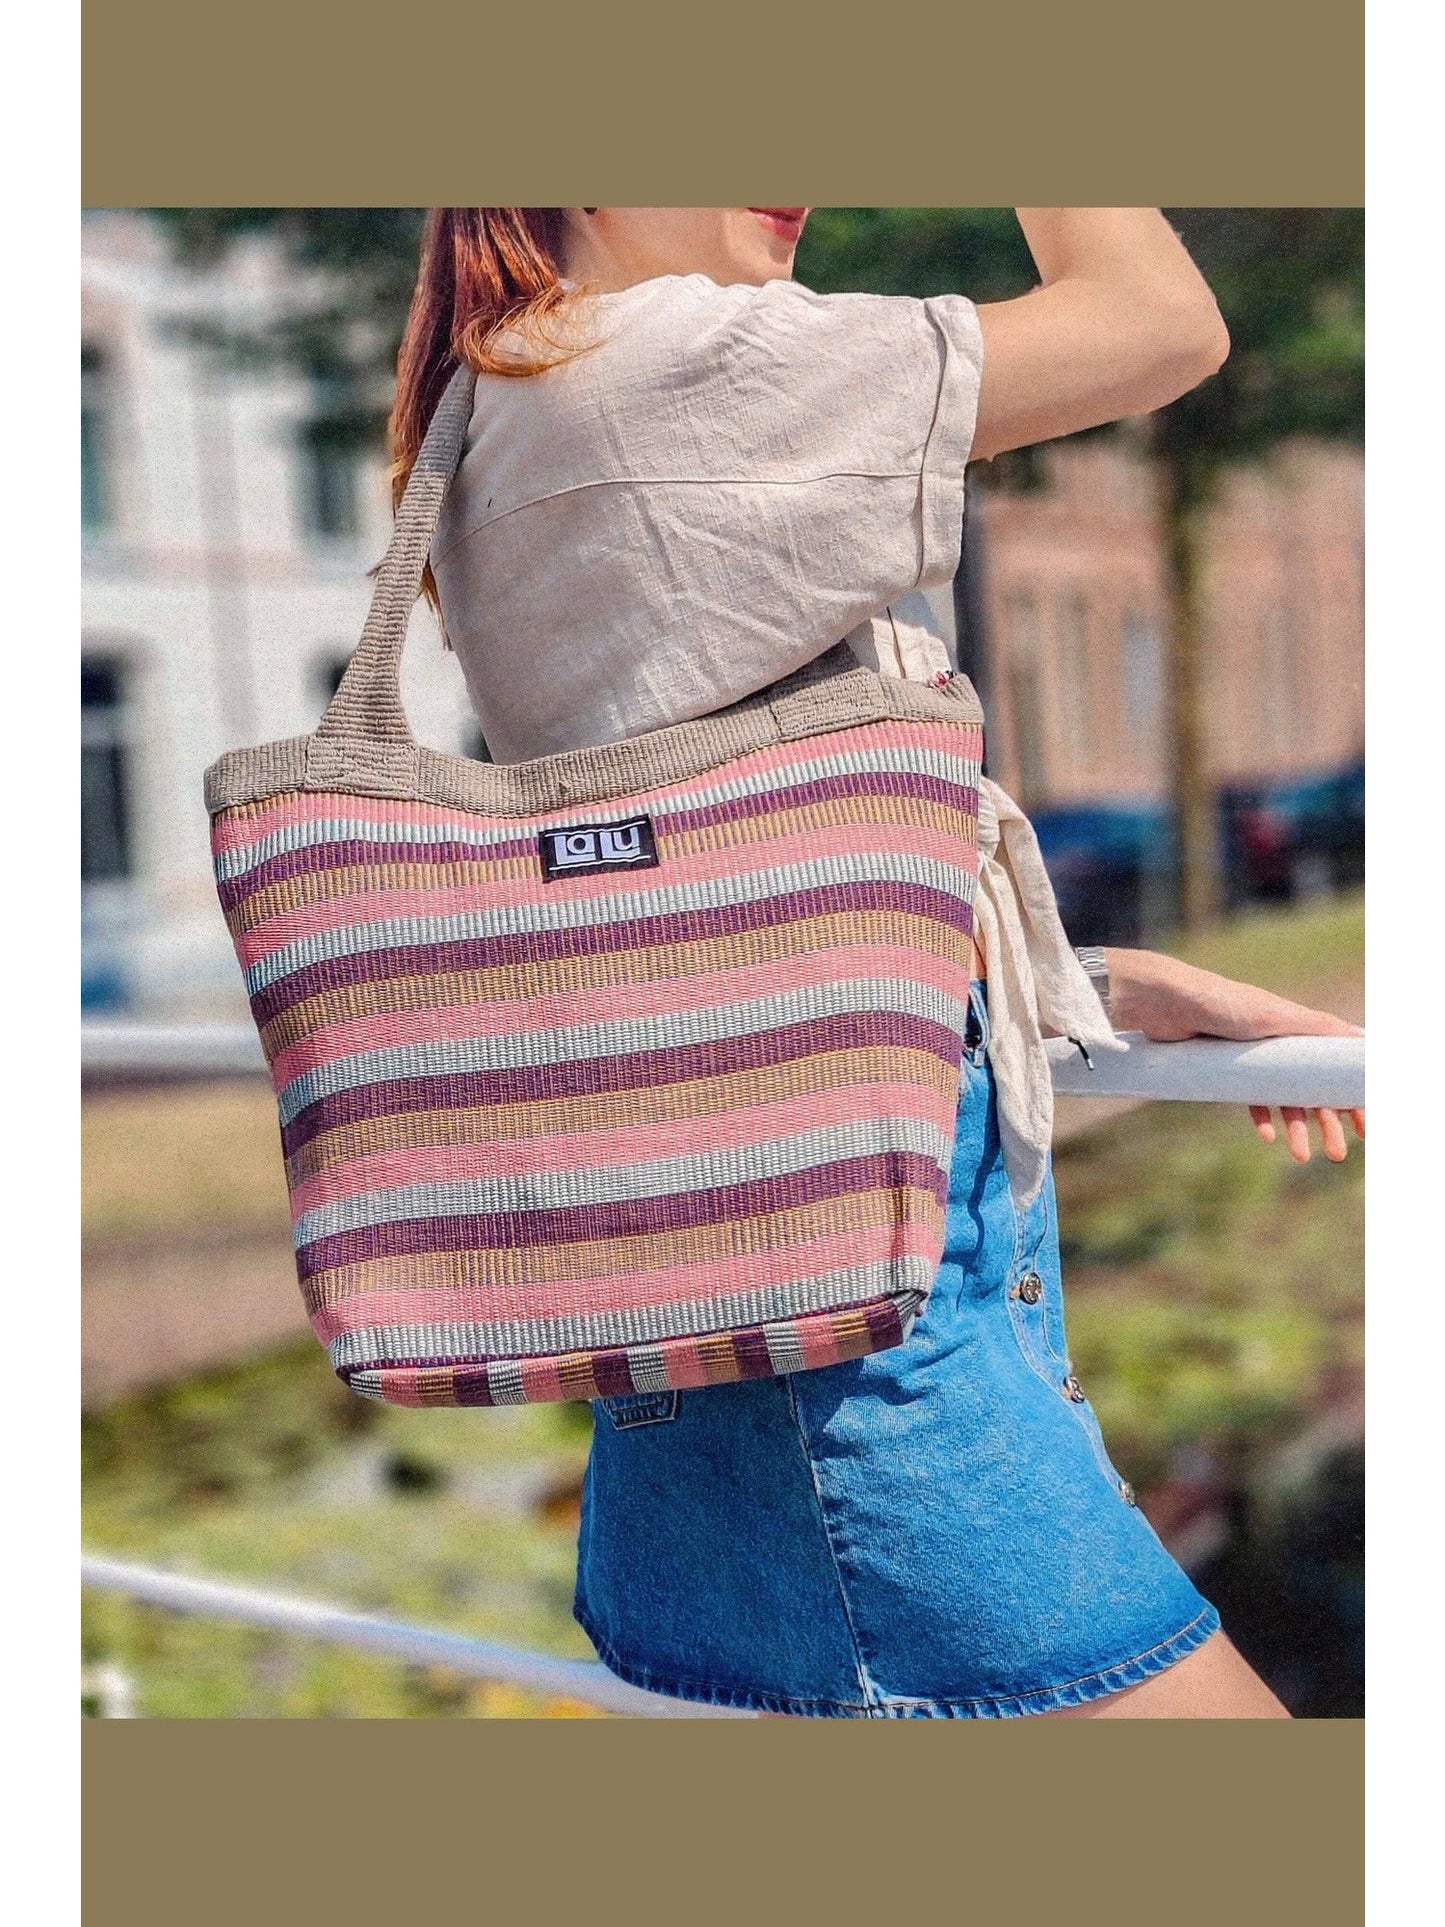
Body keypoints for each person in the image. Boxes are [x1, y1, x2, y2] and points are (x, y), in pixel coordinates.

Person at [392, 207, 1363, 1718]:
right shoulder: (674, 366)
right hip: (880, 1415)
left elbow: (725, 918)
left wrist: (1096, 984)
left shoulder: (503, 395)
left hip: (722, 1407)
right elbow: (1162, 321)